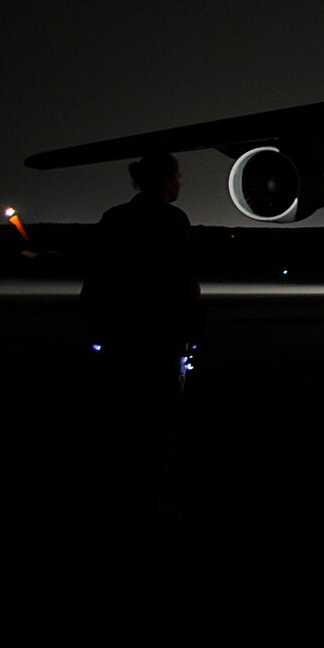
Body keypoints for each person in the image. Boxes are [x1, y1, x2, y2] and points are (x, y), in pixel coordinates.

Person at [80, 151, 206, 523]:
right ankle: (147, 501)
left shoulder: (114, 219)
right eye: (179, 176)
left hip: (119, 335)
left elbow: (97, 278)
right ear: (166, 180)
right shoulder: (173, 221)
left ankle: (112, 497)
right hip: (160, 338)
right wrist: (194, 331)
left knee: (118, 424)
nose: (181, 183)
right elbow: (184, 283)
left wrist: (93, 328)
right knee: (156, 426)